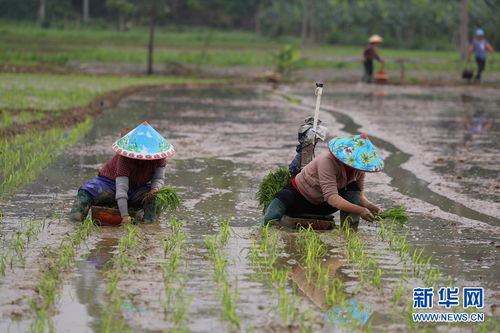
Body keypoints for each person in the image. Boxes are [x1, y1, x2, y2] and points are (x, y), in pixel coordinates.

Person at [263, 134, 384, 228]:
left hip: (325, 205)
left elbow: (358, 197)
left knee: (354, 188)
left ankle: (349, 231)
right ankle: (268, 227)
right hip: (302, 199)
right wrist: (360, 210)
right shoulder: (327, 161)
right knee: (283, 196)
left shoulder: (359, 169)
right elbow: (331, 197)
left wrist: (370, 207)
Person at [68, 121, 175, 224]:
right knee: (85, 192)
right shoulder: (125, 158)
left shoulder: (159, 156)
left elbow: (159, 179)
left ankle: (149, 227)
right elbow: (121, 188)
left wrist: (154, 189)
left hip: (138, 188)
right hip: (110, 183)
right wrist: (124, 215)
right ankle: (74, 224)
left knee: (155, 198)